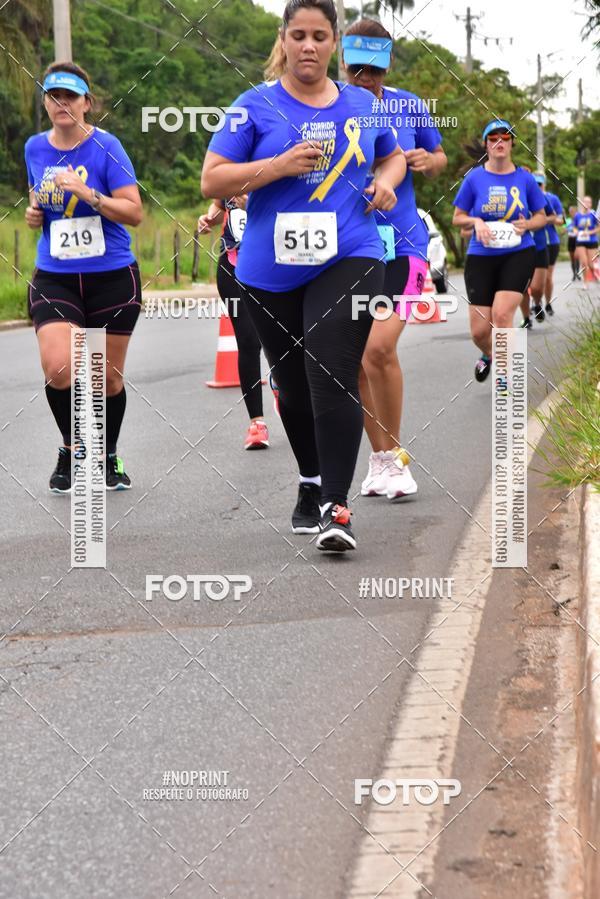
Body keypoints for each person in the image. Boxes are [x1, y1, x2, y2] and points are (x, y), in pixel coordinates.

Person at [201, 0, 406, 552]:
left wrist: (386, 180)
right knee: (291, 386)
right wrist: (278, 165)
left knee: (332, 361)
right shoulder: (253, 106)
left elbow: (393, 158)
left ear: (334, 43)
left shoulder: (362, 104)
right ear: (284, 40)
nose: (309, 45)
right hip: (270, 270)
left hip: (352, 252)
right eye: (299, 35)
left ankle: (337, 507)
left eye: (319, 35)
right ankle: (311, 479)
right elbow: (212, 180)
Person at [342, 18, 447, 503]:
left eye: (375, 70)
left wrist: (427, 160)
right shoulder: (330, 107)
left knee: (377, 349)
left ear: (388, 65)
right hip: (351, 245)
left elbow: (439, 154)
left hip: (404, 245)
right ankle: (381, 460)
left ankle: (396, 454)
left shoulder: (408, 104)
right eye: (357, 68)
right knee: (358, 363)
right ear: (343, 63)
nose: (365, 78)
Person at [24, 62, 143, 492]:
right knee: (60, 367)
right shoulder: (35, 148)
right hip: (55, 275)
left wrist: (89, 194)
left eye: (70, 96)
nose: (62, 103)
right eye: (54, 96)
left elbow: (135, 212)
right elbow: (39, 203)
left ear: (86, 104)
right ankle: (72, 449)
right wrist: (34, 213)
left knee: (105, 376)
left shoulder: (107, 147)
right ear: (46, 103)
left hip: (111, 275)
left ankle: (107, 456)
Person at [452, 119, 546, 381]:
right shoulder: (474, 179)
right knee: (480, 331)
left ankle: (506, 380)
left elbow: (541, 217)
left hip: (518, 253)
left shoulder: (525, 179)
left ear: (512, 143)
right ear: (487, 145)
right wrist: (476, 221)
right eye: (493, 139)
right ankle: (489, 354)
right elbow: (457, 218)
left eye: (505, 137)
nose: (499, 142)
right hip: (481, 257)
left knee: (503, 314)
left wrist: (528, 223)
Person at [198, 195, 271, 450]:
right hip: (233, 265)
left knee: (279, 337)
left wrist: (252, 204)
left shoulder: (279, 161)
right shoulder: (231, 166)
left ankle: (283, 384)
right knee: (249, 341)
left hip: (276, 263)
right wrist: (209, 218)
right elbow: (219, 206)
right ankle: (257, 423)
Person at [520, 172, 552, 327]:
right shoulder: (517, 197)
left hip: (539, 246)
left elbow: (552, 216)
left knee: (536, 287)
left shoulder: (542, 199)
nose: (538, 187)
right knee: (523, 287)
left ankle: (538, 303)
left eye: (540, 184)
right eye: (535, 184)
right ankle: (526, 319)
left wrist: (538, 221)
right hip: (521, 248)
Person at [543, 181, 564, 315]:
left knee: (547, 276)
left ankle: (548, 303)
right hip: (531, 242)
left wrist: (547, 219)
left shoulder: (553, 198)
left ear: (544, 183)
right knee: (532, 277)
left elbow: (562, 220)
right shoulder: (525, 196)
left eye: (540, 183)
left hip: (551, 241)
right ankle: (536, 304)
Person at [573, 196, 599, 287]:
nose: (586, 204)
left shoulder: (593, 214)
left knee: (591, 264)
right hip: (581, 241)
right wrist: (577, 232)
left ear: (591, 204)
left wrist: (589, 232)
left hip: (592, 240)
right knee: (584, 262)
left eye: (588, 202)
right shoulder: (577, 215)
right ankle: (586, 282)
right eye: (585, 202)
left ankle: (595, 275)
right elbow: (574, 227)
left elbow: (598, 228)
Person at [565, 206, 579, 280]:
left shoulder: (578, 219)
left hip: (577, 239)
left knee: (577, 257)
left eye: (573, 211)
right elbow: (564, 229)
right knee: (572, 258)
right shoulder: (567, 220)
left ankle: (578, 273)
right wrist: (566, 229)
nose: (572, 213)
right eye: (571, 211)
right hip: (570, 239)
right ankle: (574, 274)